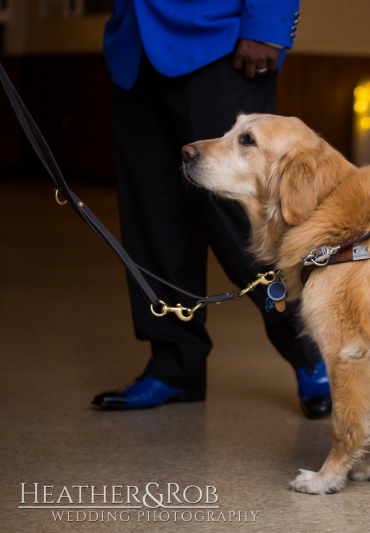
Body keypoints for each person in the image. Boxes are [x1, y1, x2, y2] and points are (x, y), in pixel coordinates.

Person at [91, 0, 331, 419]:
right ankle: (174, 364)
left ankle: (316, 353)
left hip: (221, 41)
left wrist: (269, 23)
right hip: (133, 47)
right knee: (153, 216)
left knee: (246, 220)